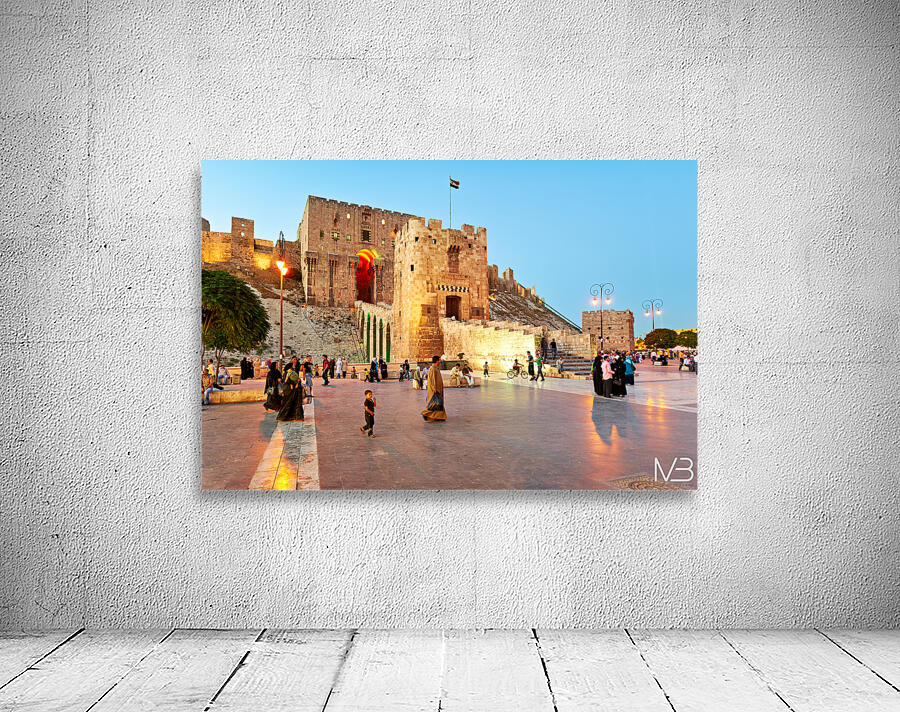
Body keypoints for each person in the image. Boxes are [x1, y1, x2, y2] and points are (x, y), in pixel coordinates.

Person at [422, 355, 446, 422]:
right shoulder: (432, 368)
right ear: (437, 361)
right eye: (439, 360)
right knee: (433, 404)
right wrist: (434, 388)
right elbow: (432, 379)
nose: (440, 361)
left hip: (438, 388)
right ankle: (426, 413)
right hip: (435, 389)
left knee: (438, 404)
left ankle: (439, 417)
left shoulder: (436, 368)